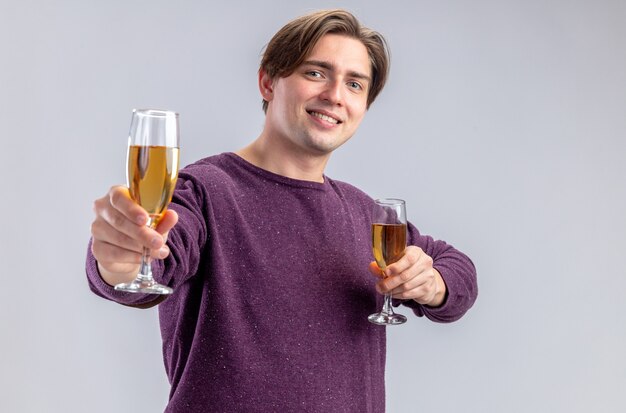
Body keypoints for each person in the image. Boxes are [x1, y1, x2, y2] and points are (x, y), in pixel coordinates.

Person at [87, 9, 478, 413]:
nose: (334, 95)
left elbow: (458, 271)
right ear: (268, 81)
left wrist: (433, 285)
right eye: (315, 73)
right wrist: (120, 259)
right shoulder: (202, 190)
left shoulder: (368, 216)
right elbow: (154, 255)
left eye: (354, 84)